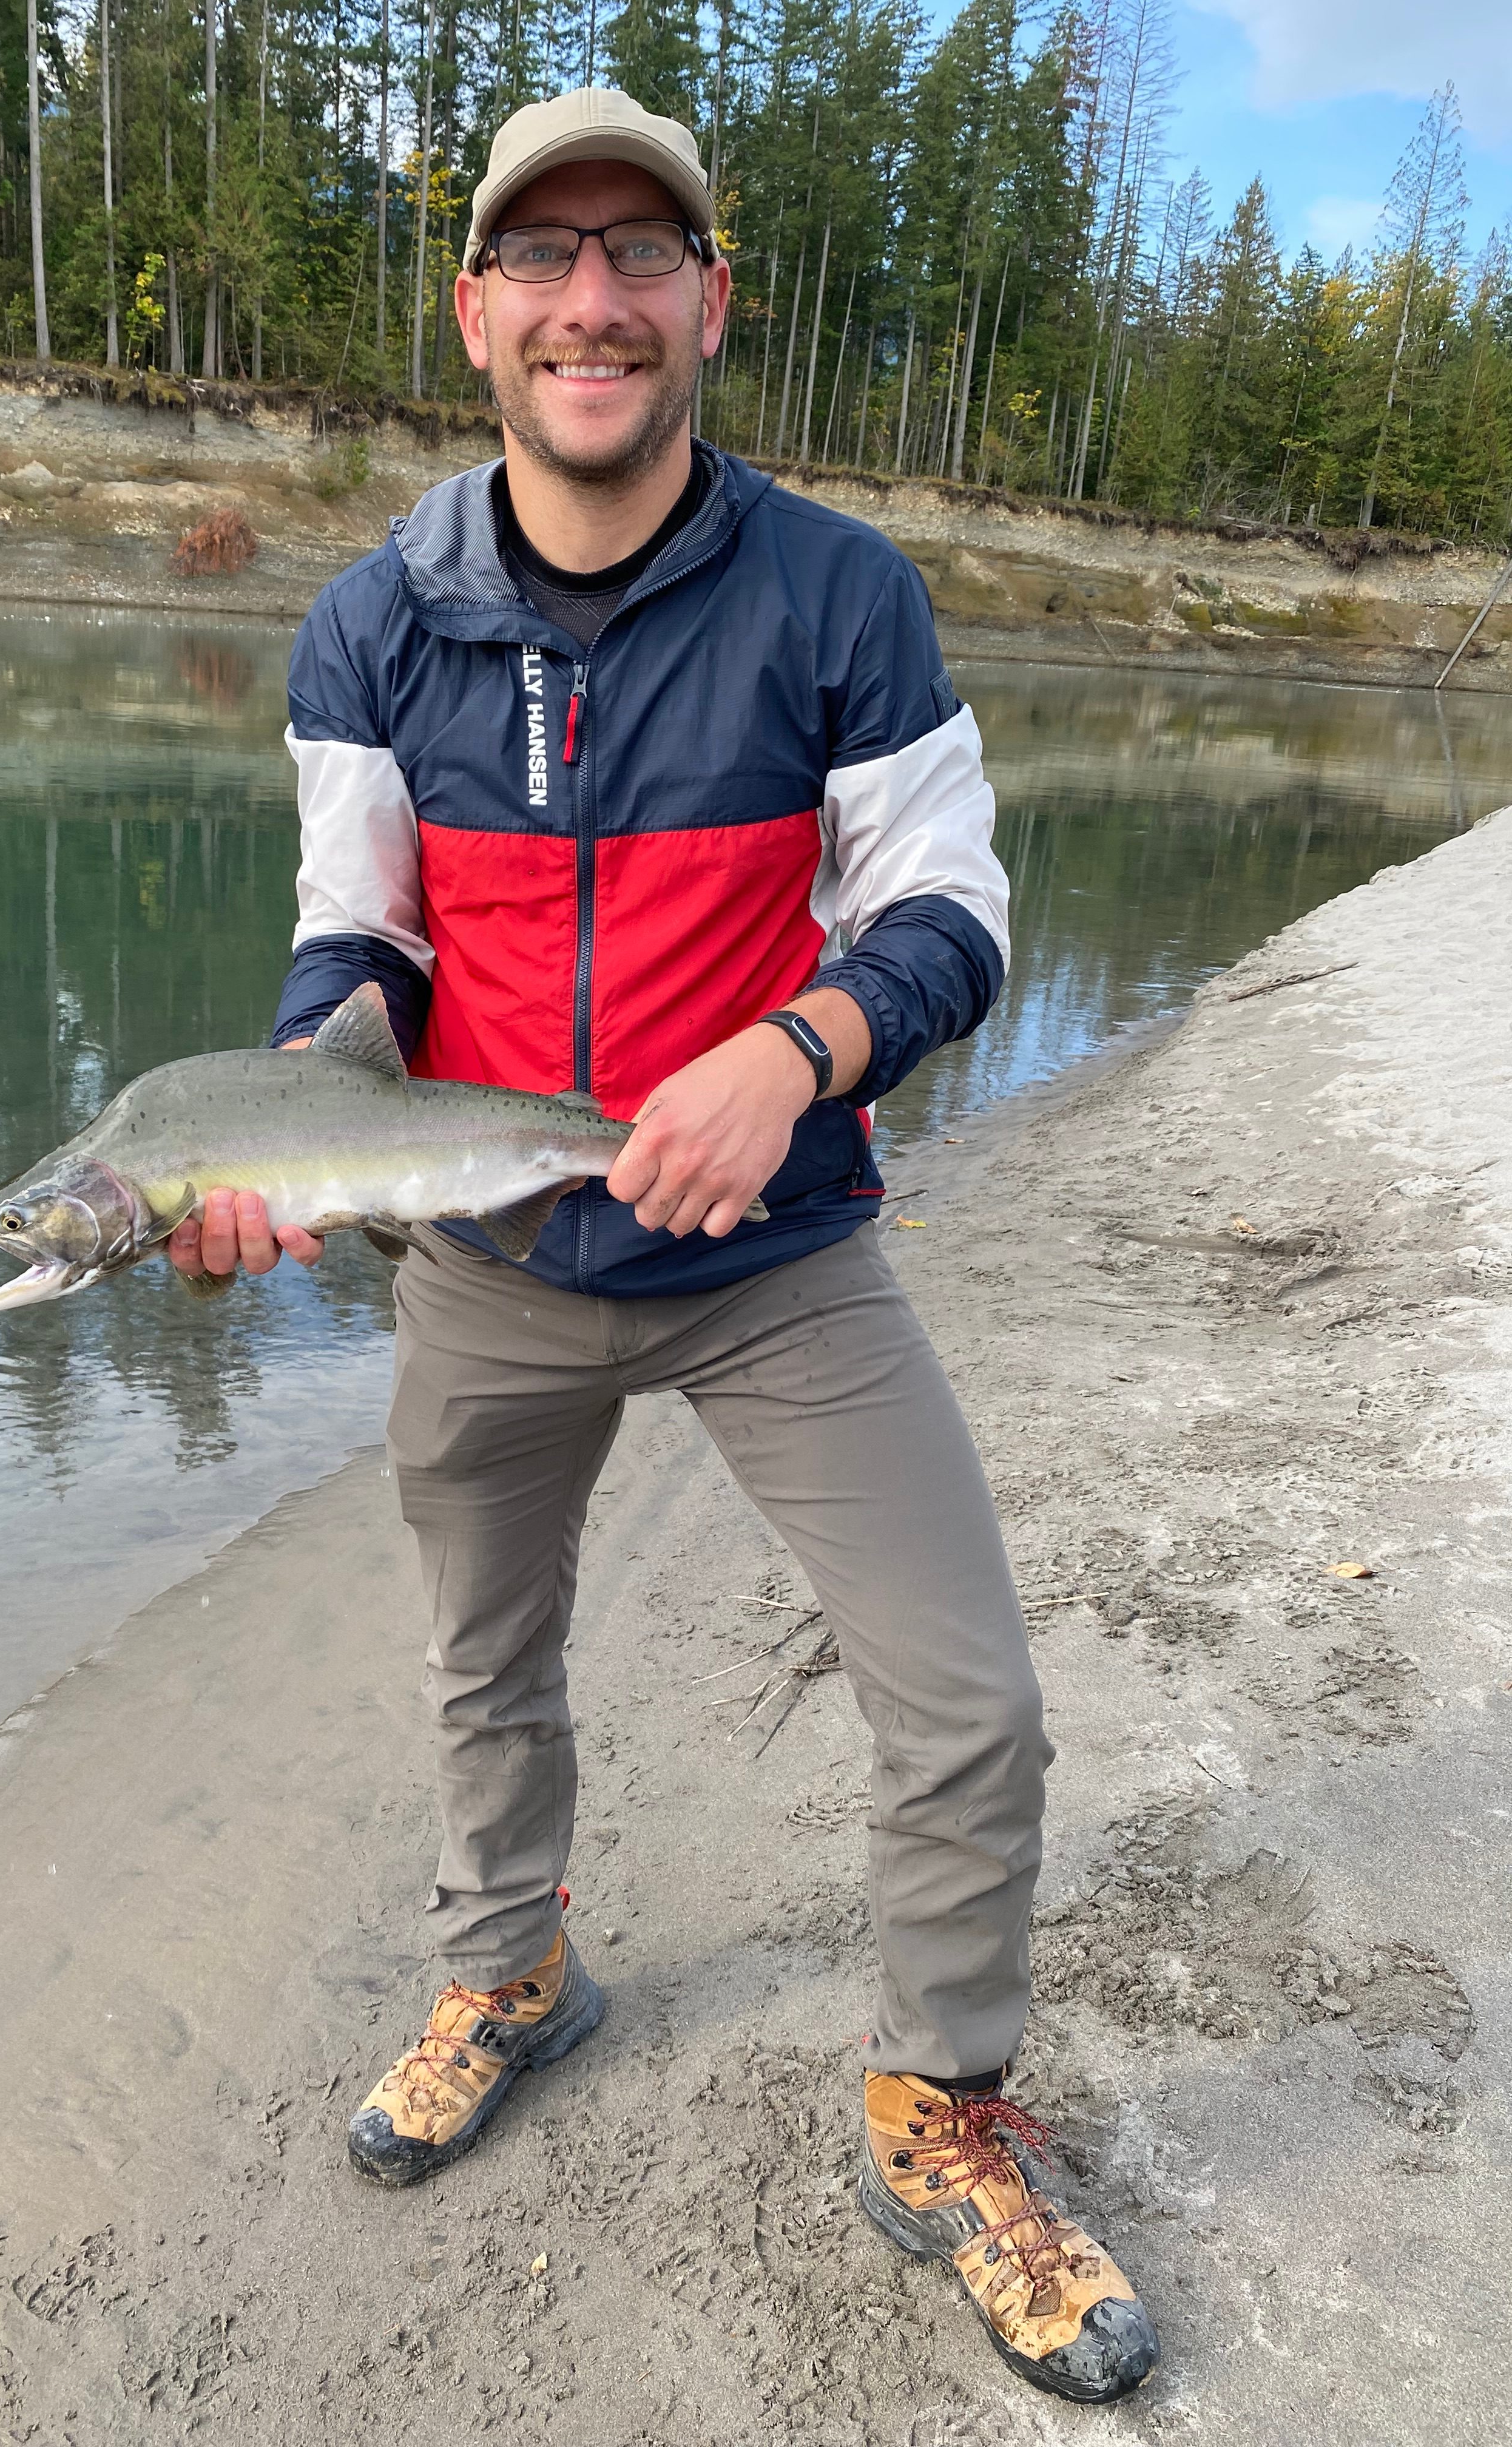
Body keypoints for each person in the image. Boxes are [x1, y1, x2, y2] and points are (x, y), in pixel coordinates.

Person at [169, 86, 1158, 2406]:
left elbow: (954, 915)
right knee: (481, 1669)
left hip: (782, 1253)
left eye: (640, 256)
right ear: (476, 313)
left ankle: (936, 2108)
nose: (591, 302)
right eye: (544, 259)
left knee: (969, 1706)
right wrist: (297, 1138)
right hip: (495, 1264)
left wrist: (800, 1050)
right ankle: (511, 1971)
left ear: (710, 304)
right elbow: (358, 955)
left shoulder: (841, 598)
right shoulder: (367, 625)